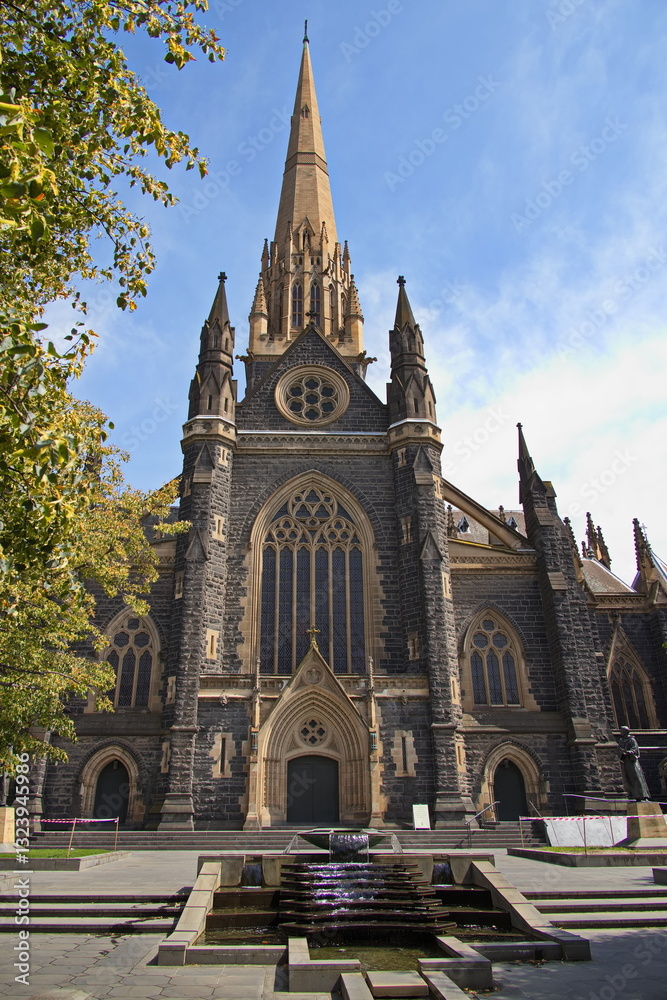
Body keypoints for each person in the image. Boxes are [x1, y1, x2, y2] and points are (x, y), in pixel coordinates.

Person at [617, 727, 651, 801]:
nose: (620, 732)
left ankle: (642, 795)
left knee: (637, 778)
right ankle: (634, 795)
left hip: (632, 761)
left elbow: (634, 750)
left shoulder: (631, 740)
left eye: (622, 731)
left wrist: (628, 752)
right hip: (625, 761)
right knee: (629, 779)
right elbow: (618, 750)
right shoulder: (621, 740)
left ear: (626, 732)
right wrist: (621, 752)